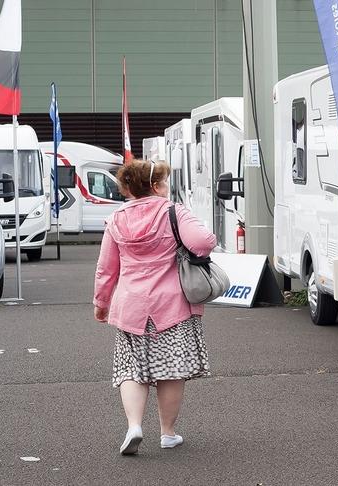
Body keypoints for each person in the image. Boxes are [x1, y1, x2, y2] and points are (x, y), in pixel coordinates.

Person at [93, 159, 217, 455]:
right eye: (163, 181)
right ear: (156, 185)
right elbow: (204, 242)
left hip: (130, 306)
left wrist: (101, 303)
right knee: (171, 370)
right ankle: (167, 433)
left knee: (131, 369)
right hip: (171, 305)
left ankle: (134, 426)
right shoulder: (174, 211)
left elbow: (106, 268)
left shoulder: (117, 218)